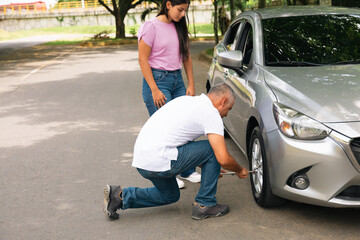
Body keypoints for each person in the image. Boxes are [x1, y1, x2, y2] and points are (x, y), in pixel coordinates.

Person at [103, 84, 249, 220]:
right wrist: (239, 169)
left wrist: (208, 166)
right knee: (213, 148)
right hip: (160, 159)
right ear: (223, 102)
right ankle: (205, 204)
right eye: (229, 109)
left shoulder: (185, 101)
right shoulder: (211, 113)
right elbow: (223, 158)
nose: (226, 114)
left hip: (143, 162)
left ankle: (120, 197)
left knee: (170, 195)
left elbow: (179, 137)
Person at [137, 0, 200, 188]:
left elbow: (186, 56)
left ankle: (187, 170)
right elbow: (142, 59)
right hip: (157, 81)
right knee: (165, 131)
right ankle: (169, 174)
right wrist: (154, 89)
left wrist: (191, 84)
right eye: (179, 10)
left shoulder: (179, 26)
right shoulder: (151, 27)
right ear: (168, 4)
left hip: (177, 81)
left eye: (185, 11)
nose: (182, 14)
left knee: (185, 126)